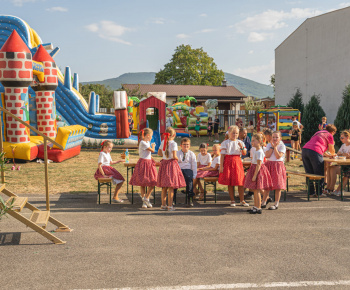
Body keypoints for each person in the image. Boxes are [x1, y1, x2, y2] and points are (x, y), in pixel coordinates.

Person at [219, 125, 249, 207]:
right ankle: (232, 200)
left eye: (236, 133)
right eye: (233, 133)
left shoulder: (240, 142)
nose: (235, 135)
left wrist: (242, 147)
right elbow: (222, 156)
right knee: (230, 182)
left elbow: (244, 153)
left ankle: (242, 200)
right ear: (229, 133)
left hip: (237, 162)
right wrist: (221, 166)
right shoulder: (225, 143)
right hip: (228, 162)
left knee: (240, 182)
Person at [302, 124, 337, 195]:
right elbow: (332, 150)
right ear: (333, 132)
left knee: (309, 172)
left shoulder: (318, 132)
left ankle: (311, 192)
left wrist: (326, 154)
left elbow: (316, 144)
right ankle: (319, 192)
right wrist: (333, 154)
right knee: (319, 173)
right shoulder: (329, 135)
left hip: (305, 150)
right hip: (315, 151)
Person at [157, 127, 186, 211]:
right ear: (174, 135)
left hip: (163, 164)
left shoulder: (163, 142)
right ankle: (170, 206)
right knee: (171, 187)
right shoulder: (174, 144)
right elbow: (174, 156)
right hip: (171, 164)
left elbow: (159, 153)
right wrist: (178, 159)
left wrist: (164, 154)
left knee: (164, 187)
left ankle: (163, 205)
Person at [244, 133, 273, 214]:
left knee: (257, 191)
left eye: (253, 141)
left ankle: (258, 207)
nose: (252, 142)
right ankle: (256, 206)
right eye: (251, 140)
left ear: (259, 141)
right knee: (255, 190)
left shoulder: (259, 151)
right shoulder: (256, 150)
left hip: (257, 171)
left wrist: (254, 175)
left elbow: (259, 164)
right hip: (254, 169)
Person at [129, 128, 157, 209]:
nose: (151, 137)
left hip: (149, 163)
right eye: (151, 136)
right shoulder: (143, 142)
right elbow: (152, 150)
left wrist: (154, 160)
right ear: (148, 136)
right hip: (144, 163)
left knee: (152, 181)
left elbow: (149, 154)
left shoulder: (147, 142)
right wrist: (153, 145)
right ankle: (144, 202)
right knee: (143, 183)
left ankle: (146, 198)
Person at [263, 131, 287, 210]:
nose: (275, 139)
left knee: (277, 185)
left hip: (277, 166)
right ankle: (264, 201)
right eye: (273, 137)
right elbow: (267, 155)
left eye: (276, 137)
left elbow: (278, 156)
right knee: (267, 185)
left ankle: (276, 203)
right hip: (269, 164)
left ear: (280, 138)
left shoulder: (282, 146)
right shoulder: (269, 145)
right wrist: (272, 147)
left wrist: (275, 147)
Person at [324, 130, 350, 196]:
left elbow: (348, 156)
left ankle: (331, 188)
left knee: (333, 169)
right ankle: (329, 188)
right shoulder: (343, 145)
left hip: (347, 166)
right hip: (342, 165)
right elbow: (338, 154)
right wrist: (344, 154)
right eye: (340, 138)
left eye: (342, 138)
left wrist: (342, 154)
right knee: (330, 168)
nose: (341, 139)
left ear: (347, 137)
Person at [175, 138, 197, 207]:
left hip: (188, 169)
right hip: (179, 169)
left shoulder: (191, 154)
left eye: (187, 145)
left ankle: (190, 199)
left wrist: (194, 175)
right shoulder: (177, 153)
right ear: (181, 145)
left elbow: (194, 165)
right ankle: (173, 199)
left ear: (189, 145)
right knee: (174, 181)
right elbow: (175, 163)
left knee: (189, 180)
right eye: (184, 144)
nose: (186, 146)